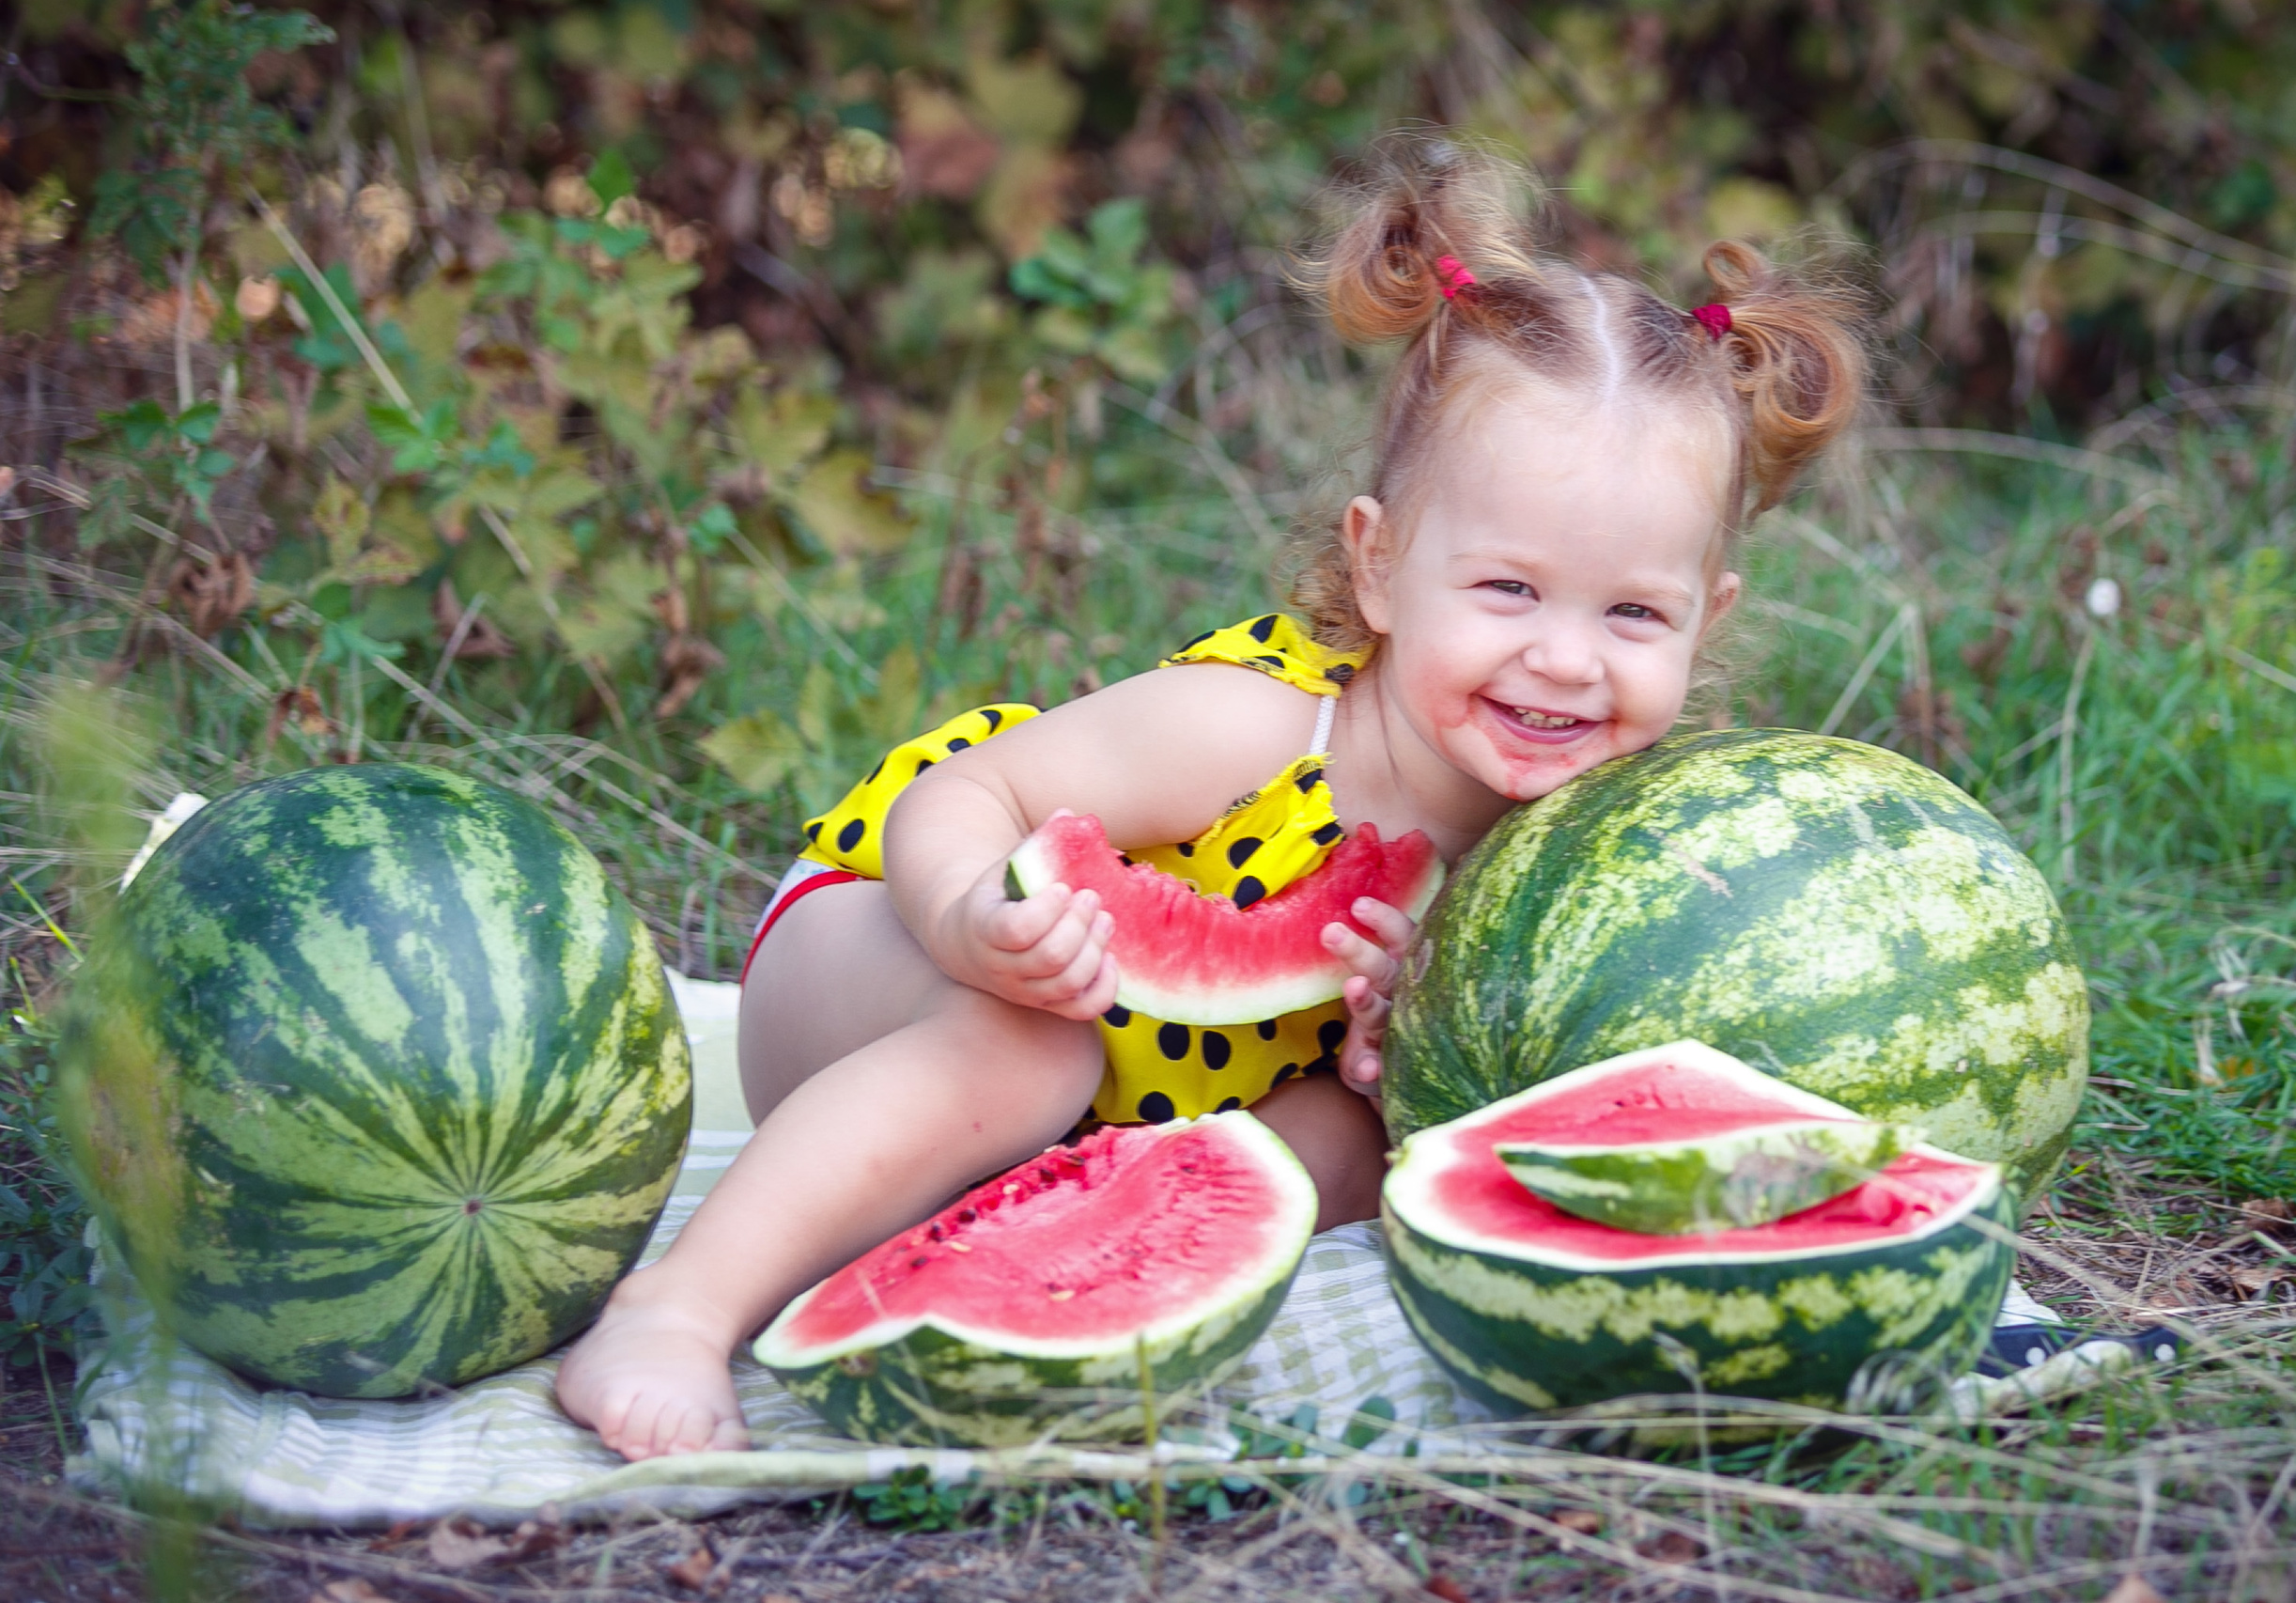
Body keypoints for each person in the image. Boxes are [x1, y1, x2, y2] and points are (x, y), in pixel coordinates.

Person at [556, 140, 1869, 1460]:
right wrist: (968, 919)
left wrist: (1398, 1047)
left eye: (1635, 612)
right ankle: (677, 1308)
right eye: (1509, 590)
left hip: (1114, 1126)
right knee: (1031, 1042)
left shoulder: (1582, 851)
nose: (1569, 659)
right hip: (870, 963)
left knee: (1355, 1151)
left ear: (1709, 623)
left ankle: (1042, 1259)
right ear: (1379, 567)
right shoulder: (1256, 725)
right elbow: (969, 791)